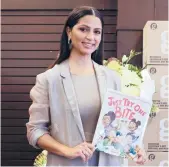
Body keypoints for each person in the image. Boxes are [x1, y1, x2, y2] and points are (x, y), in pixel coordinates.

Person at [26, 6, 145, 166]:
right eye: (83, 29)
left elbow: (120, 126)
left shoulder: (112, 78)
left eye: (97, 32)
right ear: (69, 32)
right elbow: (35, 131)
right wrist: (67, 150)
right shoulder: (49, 79)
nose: (91, 37)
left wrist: (135, 147)